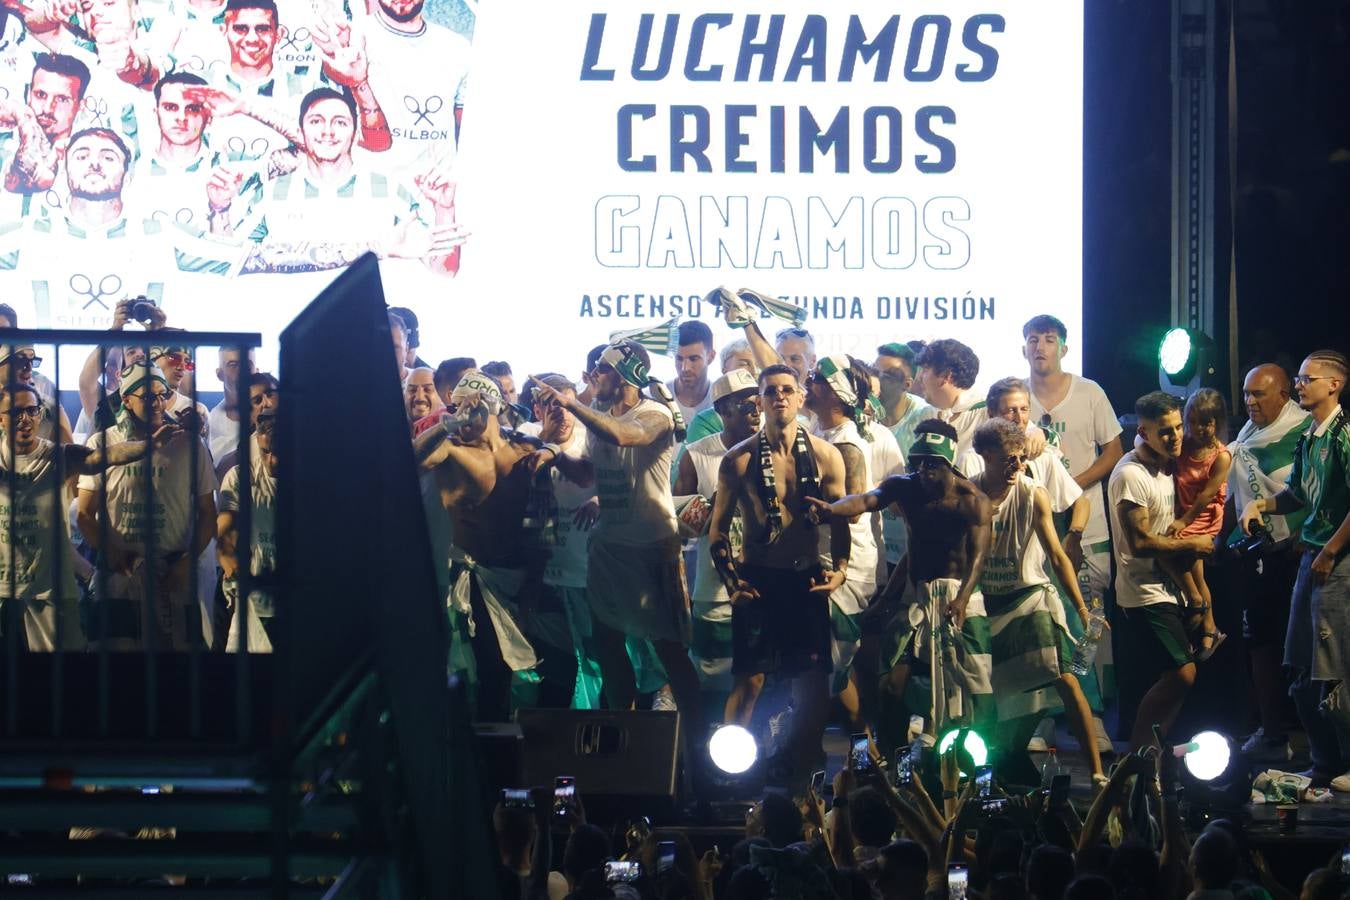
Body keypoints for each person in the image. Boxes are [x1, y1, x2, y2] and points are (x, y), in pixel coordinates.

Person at [528, 341, 706, 761]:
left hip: (651, 547)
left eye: (601, 372)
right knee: (609, 644)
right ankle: (620, 734)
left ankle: (698, 739)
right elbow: (589, 472)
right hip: (609, 547)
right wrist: (551, 454)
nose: (593, 379)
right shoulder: (601, 418)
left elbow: (627, 437)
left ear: (628, 375)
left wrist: (573, 404)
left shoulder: (654, 413)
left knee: (669, 650)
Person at [808, 419, 993, 741]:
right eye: (918, 462)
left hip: (957, 594)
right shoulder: (903, 487)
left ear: (949, 463)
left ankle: (977, 765)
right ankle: (893, 761)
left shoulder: (972, 500)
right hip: (916, 595)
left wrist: (963, 598)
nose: (924, 471)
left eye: (932, 464)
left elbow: (978, 556)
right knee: (891, 683)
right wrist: (832, 510)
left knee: (971, 684)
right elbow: (867, 500)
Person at [968, 418, 1103, 784]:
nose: (1017, 467)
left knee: (1064, 677)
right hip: (986, 603)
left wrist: (1081, 608)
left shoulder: (1032, 493)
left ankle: (1097, 772)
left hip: (1029, 598)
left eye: (1021, 459)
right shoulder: (969, 495)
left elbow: (1058, 556)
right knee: (988, 696)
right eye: (1008, 460)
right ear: (985, 456)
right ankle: (995, 766)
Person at [203, 87, 464, 275]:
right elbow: (228, 263)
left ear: (354, 132)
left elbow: (444, 271)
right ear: (302, 130)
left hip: (366, 333)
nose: (327, 131)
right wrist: (220, 208)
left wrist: (444, 209)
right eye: (316, 121)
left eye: (339, 122)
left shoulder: (390, 190)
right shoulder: (272, 193)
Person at [1239, 350, 1350, 790]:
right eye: (1299, 379)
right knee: (1300, 665)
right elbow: (1297, 492)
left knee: (1334, 666)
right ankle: (1324, 761)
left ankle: (1344, 760)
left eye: (1307, 379)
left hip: (1336, 562)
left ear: (1333, 385)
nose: (1300, 386)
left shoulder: (1343, 436)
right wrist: (1260, 503)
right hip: (1314, 559)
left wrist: (1330, 552)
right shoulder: (1313, 438)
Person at [0, 382, 177, 651]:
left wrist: (147, 446)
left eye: (32, 410)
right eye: (15, 412)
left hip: (49, 589)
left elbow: (101, 457)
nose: (26, 420)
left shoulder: (58, 455)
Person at [414, 369, 547, 721]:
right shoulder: (451, 451)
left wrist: (535, 579)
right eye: (454, 407)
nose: (458, 415)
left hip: (515, 575)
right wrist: (447, 425)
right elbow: (411, 460)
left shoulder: (525, 448)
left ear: (489, 408)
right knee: (484, 667)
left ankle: (500, 752)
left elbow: (544, 518)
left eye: (467, 408)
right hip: (472, 577)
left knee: (514, 677)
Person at [75, 361, 217, 650]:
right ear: (126, 399)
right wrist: (115, 554)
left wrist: (186, 564)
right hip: (119, 577)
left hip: (172, 576)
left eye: (161, 395)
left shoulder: (190, 445)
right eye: (147, 397)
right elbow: (84, 515)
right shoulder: (104, 443)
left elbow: (208, 514)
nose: (157, 403)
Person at [1024, 315, 1124, 702]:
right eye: (1033, 340)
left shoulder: (1089, 392)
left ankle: (1095, 712)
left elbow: (1114, 450)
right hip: (1036, 532)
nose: (1040, 347)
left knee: (1091, 618)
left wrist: (1071, 486)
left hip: (1088, 525)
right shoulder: (1017, 400)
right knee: (1042, 620)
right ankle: (1045, 716)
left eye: (1049, 340)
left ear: (1063, 348)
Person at [1109, 391, 1215, 750]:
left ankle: (1152, 757)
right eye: (1165, 431)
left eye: (1177, 428)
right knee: (1183, 675)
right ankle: (1137, 760)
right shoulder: (1130, 475)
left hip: (1170, 589)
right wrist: (1193, 545)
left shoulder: (1168, 467)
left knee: (1181, 676)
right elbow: (1140, 543)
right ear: (1144, 431)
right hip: (1144, 595)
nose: (1175, 437)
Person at [1226, 363, 1309, 761]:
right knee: (1260, 643)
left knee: (1308, 652)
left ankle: (1325, 744)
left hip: (1302, 555)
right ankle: (1272, 733)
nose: (1250, 402)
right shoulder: (1246, 436)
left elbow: (1317, 495)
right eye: (1246, 393)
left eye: (1259, 394)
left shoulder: (1307, 433)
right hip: (1261, 556)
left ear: (1284, 395)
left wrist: (1301, 538)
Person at [673, 368, 760, 707]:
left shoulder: (775, 447)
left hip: (764, 582)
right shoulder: (696, 455)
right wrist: (708, 513)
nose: (755, 411)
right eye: (745, 405)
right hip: (714, 588)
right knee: (712, 679)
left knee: (759, 677)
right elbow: (679, 526)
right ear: (723, 411)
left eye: (757, 402)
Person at [805, 355, 880, 734]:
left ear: (836, 393)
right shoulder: (820, 432)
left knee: (830, 668)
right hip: (822, 557)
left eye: (815, 377)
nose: (807, 382)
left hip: (845, 566)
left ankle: (856, 753)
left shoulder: (847, 442)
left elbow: (853, 510)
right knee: (824, 668)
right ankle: (863, 754)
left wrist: (819, 509)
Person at [1158, 388, 1231, 661]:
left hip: (1202, 515)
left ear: (1218, 422)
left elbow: (1206, 496)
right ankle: (1208, 625)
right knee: (1195, 572)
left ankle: (1198, 605)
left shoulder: (1220, 456)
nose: (1200, 428)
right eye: (1195, 422)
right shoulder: (1183, 445)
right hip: (1181, 511)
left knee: (1168, 552)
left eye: (1207, 422)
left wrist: (1183, 520)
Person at [217, 405, 277, 651]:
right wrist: (231, 566)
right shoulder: (240, 478)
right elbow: (225, 535)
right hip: (254, 603)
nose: (272, 460)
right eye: (266, 452)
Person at [0, 52, 90, 201]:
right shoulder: (3, 143)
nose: (48, 109)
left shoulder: (87, 158)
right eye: (41, 95)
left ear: (81, 106)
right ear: (28, 94)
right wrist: (26, 127)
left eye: (62, 99)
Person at [913, 339, 985, 453]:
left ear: (947, 376)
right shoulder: (925, 415)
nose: (919, 377)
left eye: (925, 370)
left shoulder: (987, 414)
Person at [206, 345, 257, 461]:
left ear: (257, 371)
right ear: (220, 374)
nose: (241, 371)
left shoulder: (278, 419)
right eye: (233, 365)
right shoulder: (209, 426)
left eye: (247, 365)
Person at [667, 320, 716, 427]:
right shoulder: (655, 398)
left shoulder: (722, 403)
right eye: (679, 359)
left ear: (711, 357)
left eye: (693, 359)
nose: (685, 368)